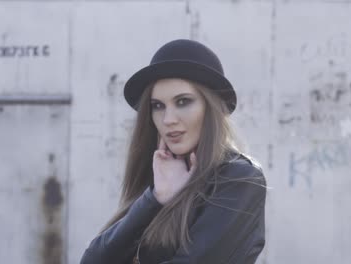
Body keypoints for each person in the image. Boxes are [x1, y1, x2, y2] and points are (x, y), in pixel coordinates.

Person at [79, 39, 268, 264]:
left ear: (211, 108)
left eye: (183, 102)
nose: (168, 120)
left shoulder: (240, 179)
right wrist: (156, 198)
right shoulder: (164, 177)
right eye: (157, 106)